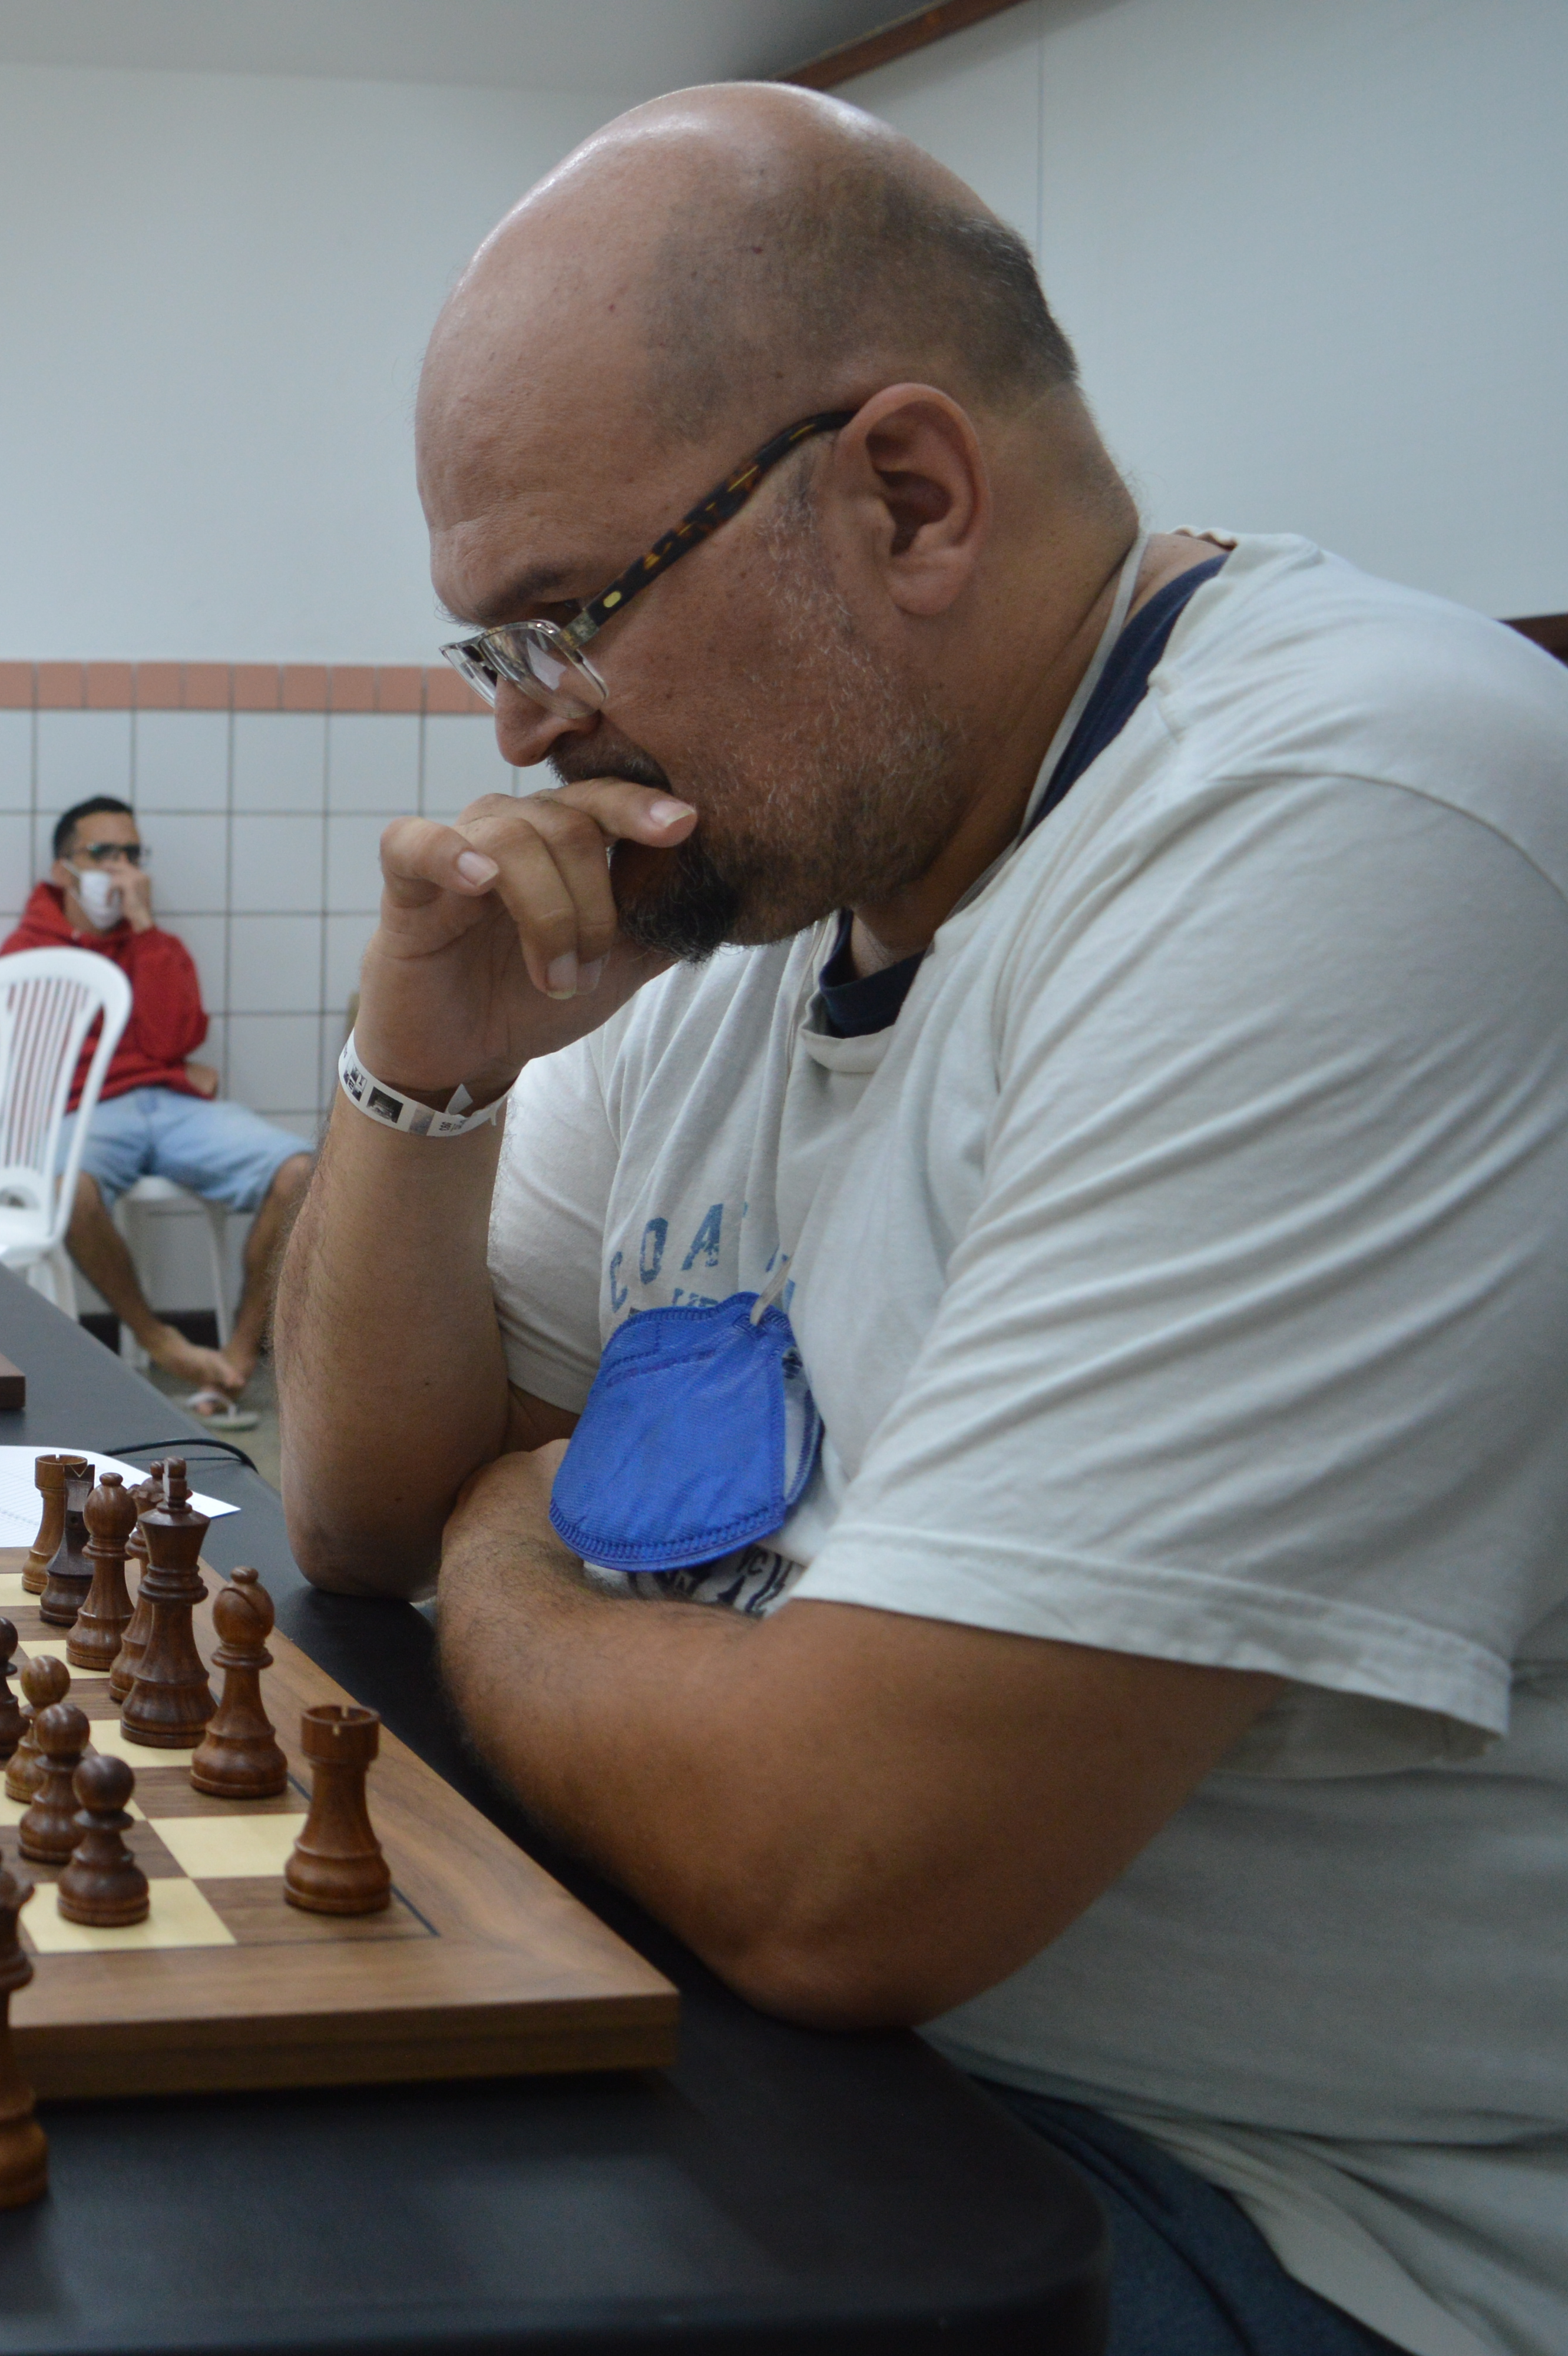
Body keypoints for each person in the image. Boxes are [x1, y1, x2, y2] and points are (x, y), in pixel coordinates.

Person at [276, 84, 1566, 2356]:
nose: (525, 733)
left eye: (567, 615)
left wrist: (518, 1545)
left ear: (904, 495)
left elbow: (835, 1864)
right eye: (488, 650)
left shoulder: (1345, 816)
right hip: (803, 2066)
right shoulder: (768, 891)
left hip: (1253, 2215)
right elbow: (363, 1502)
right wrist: (429, 1067)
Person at [0, 795, 315, 1423]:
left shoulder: (154, 943)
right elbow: (47, 1062)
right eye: (102, 854)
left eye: (131, 854)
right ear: (64, 868)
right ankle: (156, 1338)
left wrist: (143, 931)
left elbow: (173, 1038)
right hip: (86, 1112)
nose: (120, 868)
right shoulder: (26, 951)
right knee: (69, 1192)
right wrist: (156, 1061)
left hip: (170, 1105)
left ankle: (235, 1359)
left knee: (302, 1173)